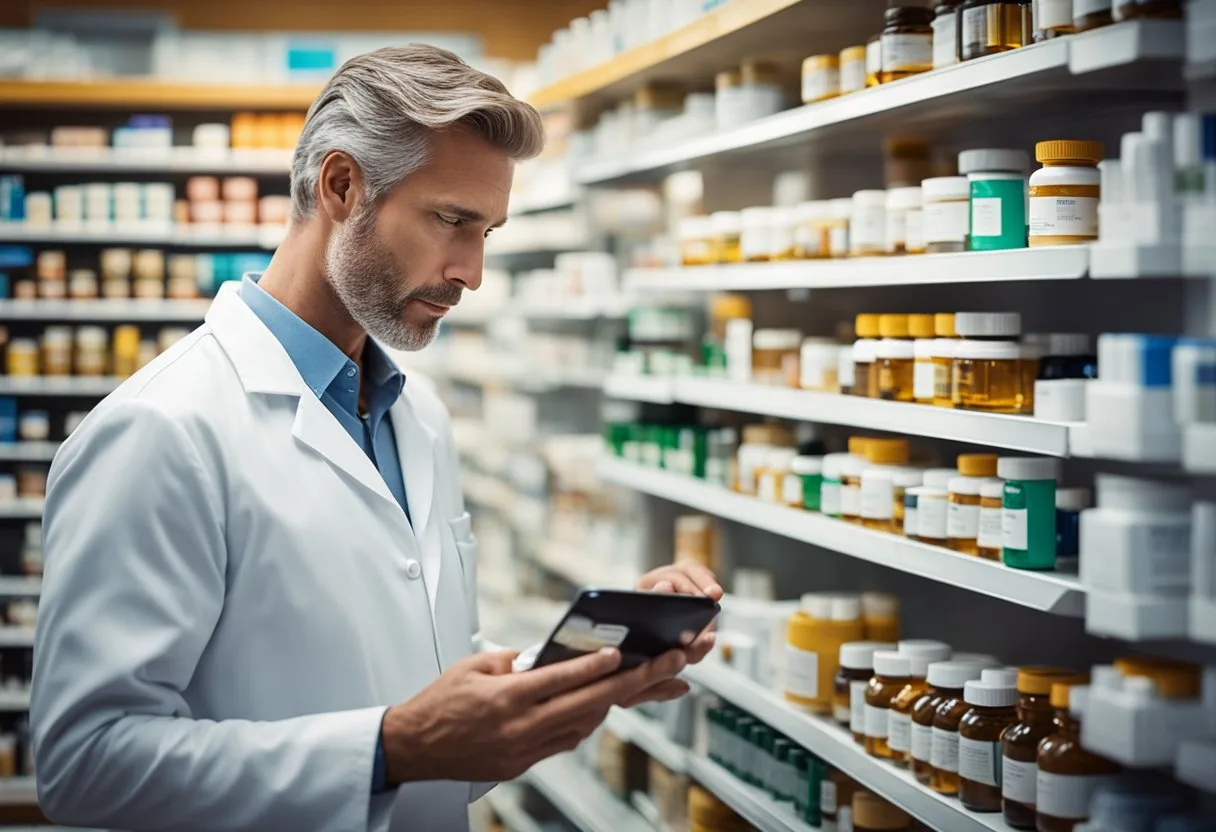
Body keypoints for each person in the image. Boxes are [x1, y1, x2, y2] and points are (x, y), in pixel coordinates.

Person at [31, 45, 722, 832]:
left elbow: (417, 666)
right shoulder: (161, 430)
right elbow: (82, 762)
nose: (472, 271)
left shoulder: (416, 415)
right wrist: (389, 750)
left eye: (487, 230)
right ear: (341, 185)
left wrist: (588, 666)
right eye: (451, 220)